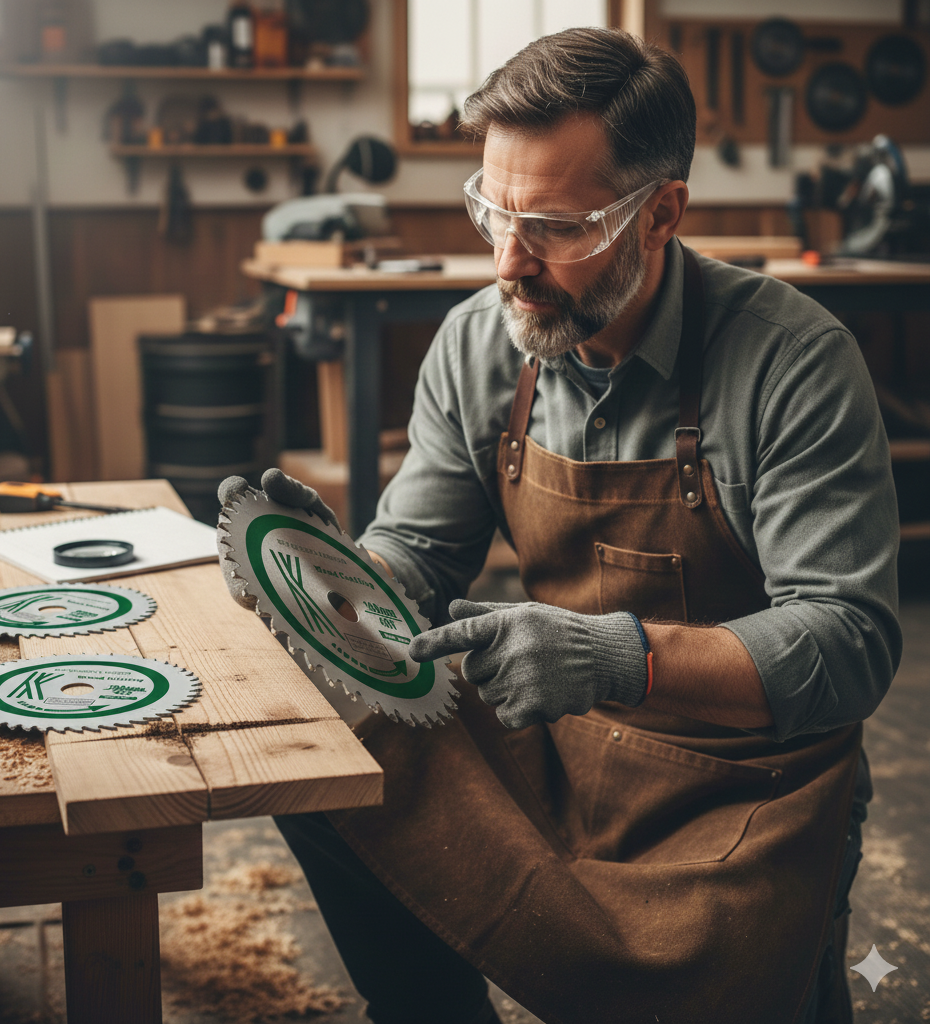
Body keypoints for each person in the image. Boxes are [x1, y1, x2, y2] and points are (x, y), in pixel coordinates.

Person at [219, 27, 901, 1024]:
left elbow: (849, 643)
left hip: (749, 784)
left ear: (660, 212)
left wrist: (622, 657)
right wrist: (341, 577)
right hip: (558, 742)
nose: (509, 262)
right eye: (493, 212)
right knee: (322, 759)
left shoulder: (791, 362)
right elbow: (420, 550)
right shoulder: (476, 343)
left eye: (555, 227)